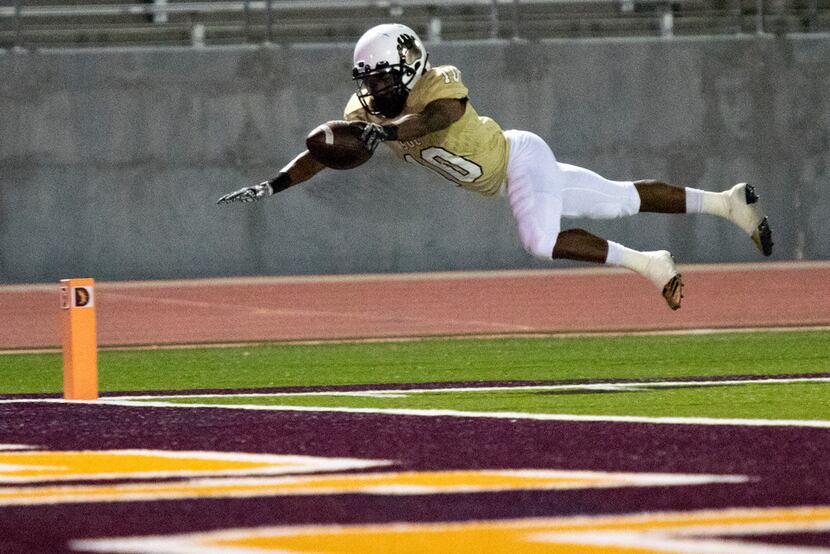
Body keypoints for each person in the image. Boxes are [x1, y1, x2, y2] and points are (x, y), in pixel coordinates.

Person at [217, 23, 773, 310]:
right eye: (369, 82)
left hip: (518, 156)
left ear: (410, 66)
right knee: (622, 198)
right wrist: (276, 183)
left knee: (539, 240)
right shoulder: (362, 113)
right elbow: (325, 149)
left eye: (385, 78)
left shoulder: (437, 84)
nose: (375, 89)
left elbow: (438, 117)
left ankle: (650, 264)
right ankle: (726, 203)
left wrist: (381, 131)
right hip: (508, 173)